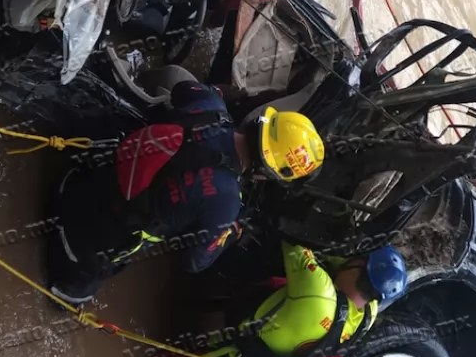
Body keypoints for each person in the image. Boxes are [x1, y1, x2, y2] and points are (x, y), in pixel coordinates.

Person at [45, 67, 323, 305]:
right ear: (267, 172)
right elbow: (193, 261)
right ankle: (67, 293)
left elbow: (181, 88)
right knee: (72, 296)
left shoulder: (212, 107)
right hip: (84, 243)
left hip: (74, 181)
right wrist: (231, 233)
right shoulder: (226, 202)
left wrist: (222, 93)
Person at [150, 241, 409, 357]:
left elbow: (293, 239)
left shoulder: (318, 293)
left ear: (359, 265)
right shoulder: (367, 316)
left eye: (357, 257)